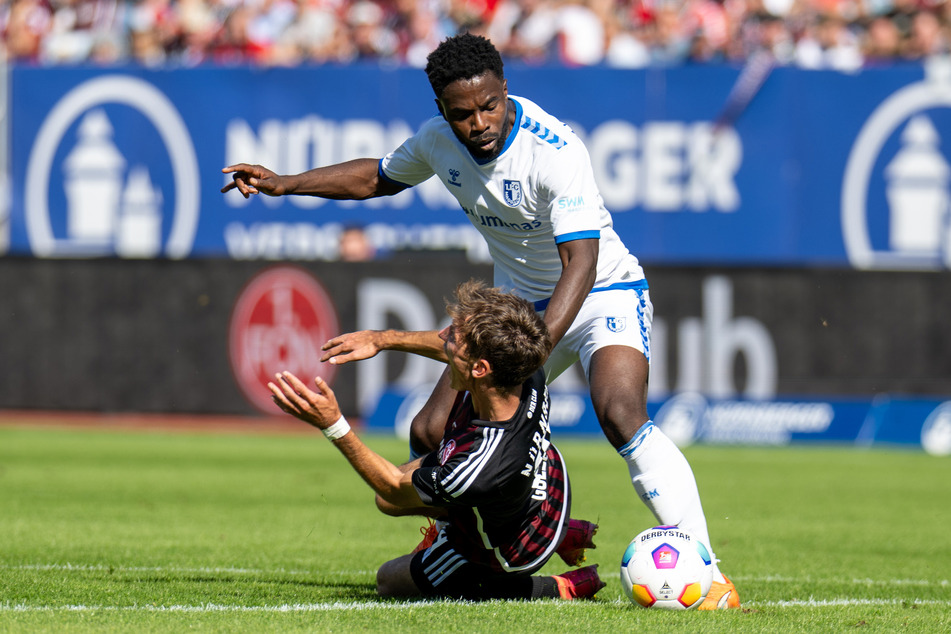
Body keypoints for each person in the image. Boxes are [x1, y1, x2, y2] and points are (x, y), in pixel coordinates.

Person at [223, 32, 739, 609]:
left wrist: (528, 355)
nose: (480, 123)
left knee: (620, 413)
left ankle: (708, 572)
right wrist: (286, 183)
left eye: (490, 105)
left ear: (505, 91)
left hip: (601, 293)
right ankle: (465, 541)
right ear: (442, 111)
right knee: (428, 431)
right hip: (514, 308)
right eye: (462, 113)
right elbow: (376, 178)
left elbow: (582, 262)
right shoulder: (438, 142)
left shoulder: (556, 151)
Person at [268, 280, 605, 601]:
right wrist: (381, 339)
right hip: (543, 481)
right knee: (392, 499)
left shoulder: (479, 466)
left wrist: (332, 424)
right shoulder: (521, 366)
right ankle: (563, 531)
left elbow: (391, 486)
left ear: (479, 369)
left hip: (514, 545)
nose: (443, 338)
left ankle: (556, 586)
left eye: (453, 339)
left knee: (389, 580)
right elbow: (393, 494)